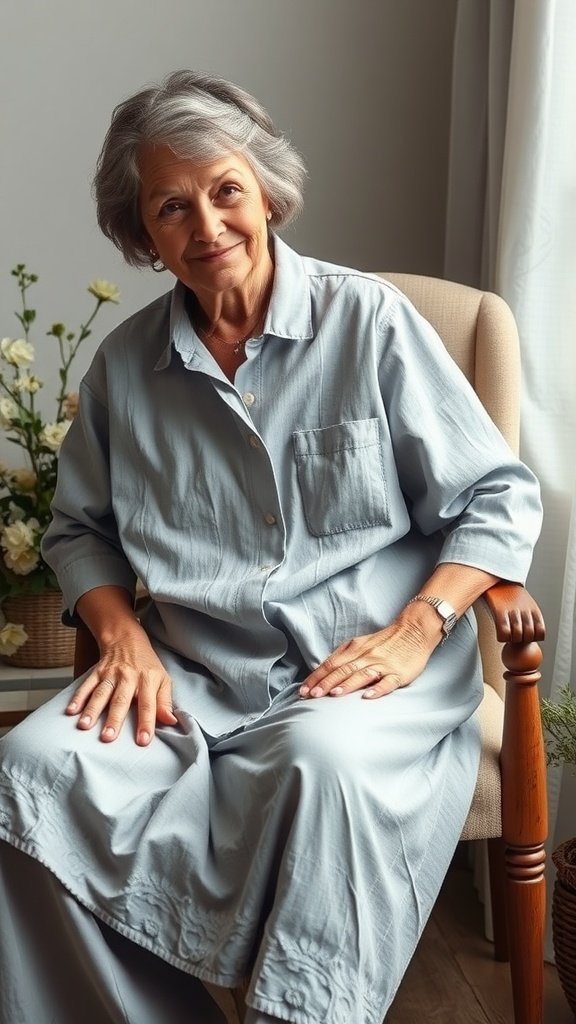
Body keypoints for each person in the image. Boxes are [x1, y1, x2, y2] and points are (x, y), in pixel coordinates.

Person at [0, 70, 543, 1024]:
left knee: (320, 767)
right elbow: (79, 530)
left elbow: (496, 495)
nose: (207, 225)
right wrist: (121, 636)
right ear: (143, 233)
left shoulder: (369, 322)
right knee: (27, 772)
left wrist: (421, 627)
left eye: (225, 190)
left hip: (366, 673)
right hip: (196, 675)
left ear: (266, 193)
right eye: (172, 206)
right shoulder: (125, 367)